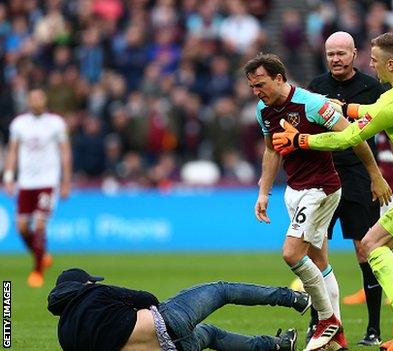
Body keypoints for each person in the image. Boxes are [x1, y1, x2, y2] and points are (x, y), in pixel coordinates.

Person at [272, 32, 393, 351]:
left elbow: (346, 139)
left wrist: (301, 141)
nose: (371, 65)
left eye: (375, 60)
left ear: (390, 63)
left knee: (372, 244)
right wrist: (345, 108)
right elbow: (375, 111)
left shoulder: (391, 100)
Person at [244, 53, 391, 351]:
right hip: (295, 191)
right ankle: (338, 338)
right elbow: (271, 151)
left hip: (321, 189)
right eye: (252, 87)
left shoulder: (312, 104)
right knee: (319, 262)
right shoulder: (264, 110)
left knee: (291, 254)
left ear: (279, 79)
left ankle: (327, 320)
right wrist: (264, 191)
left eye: (260, 85)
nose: (256, 92)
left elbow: (354, 136)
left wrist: (375, 175)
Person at [305, 31, 393, 347]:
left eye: (341, 53)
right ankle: (319, 323)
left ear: (354, 54)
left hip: (358, 177)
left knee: (366, 250)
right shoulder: (316, 87)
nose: (335, 59)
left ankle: (374, 328)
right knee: (315, 252)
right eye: (330, 54)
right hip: (321, 176)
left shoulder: (372, 87)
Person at [47, 268, 306, 351]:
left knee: (211, 335)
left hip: (170, 348)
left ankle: (278, 345)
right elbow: (147, 297)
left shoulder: (65, 337)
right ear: (84, 284)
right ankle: (294, 298)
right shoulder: (94, 292)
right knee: (223, 289)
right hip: (168, 322)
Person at [3, 88, 72, 288]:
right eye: (32, 98)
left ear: (45, 100)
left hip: (47, 182)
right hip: (25, 182)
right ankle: (41, 255)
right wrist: (8, 176)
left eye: (39, 98)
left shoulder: (56, 123)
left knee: (40, 226)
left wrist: (66, 181)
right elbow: (13, 151)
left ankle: (37, 271)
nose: (36, 102)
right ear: (28, 101)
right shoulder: (19, 124)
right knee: (22, 228)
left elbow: (65, 152)